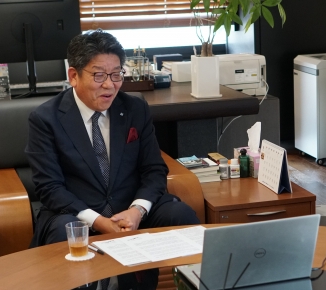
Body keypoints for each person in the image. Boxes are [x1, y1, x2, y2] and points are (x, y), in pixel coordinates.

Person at [26, 30, 199, 247]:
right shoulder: (46, 119)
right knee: (64, 231)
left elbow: (154, 170)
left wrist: (137, 210)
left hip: (131, 212)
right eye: (99, 76)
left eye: (116, 74)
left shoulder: (135, 109)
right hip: (78, 215)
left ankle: (191, 280)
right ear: (73, 76)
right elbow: (50, 188)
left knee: (179, 213)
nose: (110, 85)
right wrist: (98, 221)